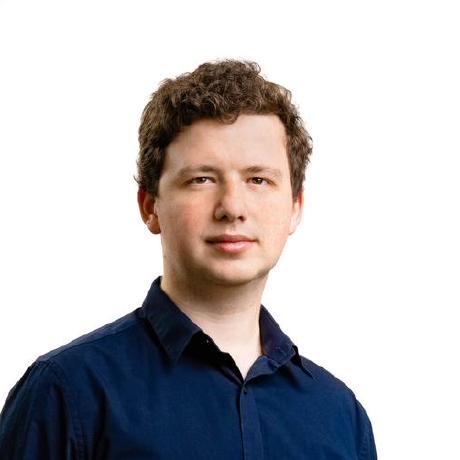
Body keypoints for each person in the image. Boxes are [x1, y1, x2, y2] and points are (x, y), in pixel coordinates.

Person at [0, 60, 377, 459]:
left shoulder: (341, 414)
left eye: (258, 180)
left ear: (296, 207)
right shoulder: (67, 392)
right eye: (202, 179)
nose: (232, 207)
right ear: (150, 206)